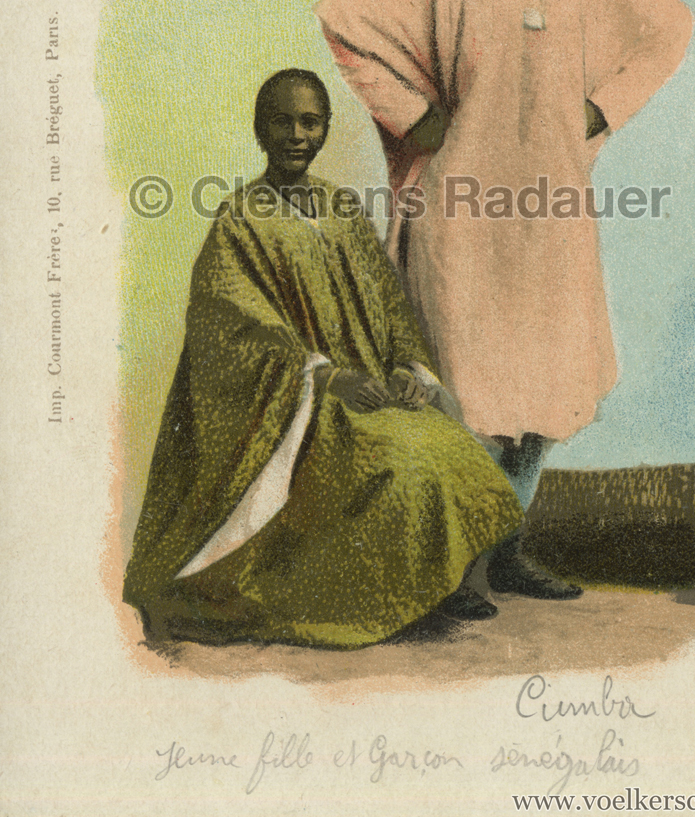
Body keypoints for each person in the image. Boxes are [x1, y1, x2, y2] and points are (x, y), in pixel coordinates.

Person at [314, 0, 695, 600]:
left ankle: (507, 552)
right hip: (460, 205)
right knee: (462, 386)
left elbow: (670, 25)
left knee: (548, 383)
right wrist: (414, 116)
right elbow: (345, 17)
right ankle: (450, 568)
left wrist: (602, 107)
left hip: (552, 208)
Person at [123, 69, 523, 647]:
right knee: (396, 459)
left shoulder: (342, 209)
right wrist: (327, 378)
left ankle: (432, 582)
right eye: (281, 121)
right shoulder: (240, 220)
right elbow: (231, 330)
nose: (296, 135)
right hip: (300, 410)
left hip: (372, 393)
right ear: (260, 129)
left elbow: (389, 305)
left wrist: (407, 370)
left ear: (326, 129)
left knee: (448, 443)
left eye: (310, 122)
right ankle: (386, 595)